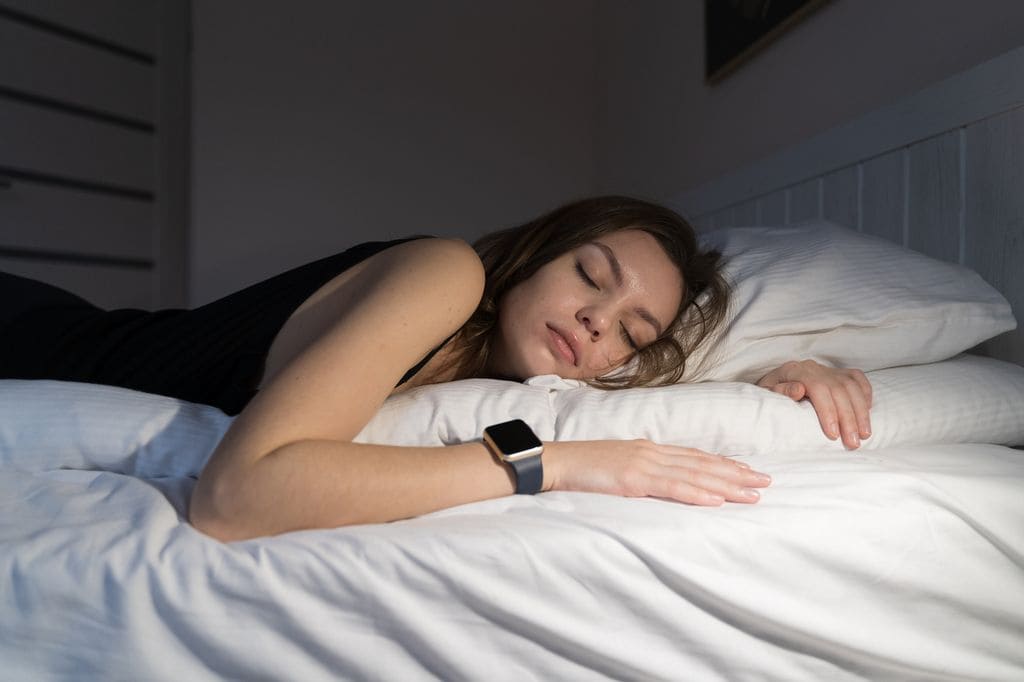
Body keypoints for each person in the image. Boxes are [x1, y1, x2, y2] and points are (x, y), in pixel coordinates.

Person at [0, 196, 871, 541]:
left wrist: (790, 370)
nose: (595, 321)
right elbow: (238, 498)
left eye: (631, 332)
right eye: (588, 277)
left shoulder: (529, 373)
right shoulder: (443, 272)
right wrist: (553, 464)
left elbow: (675, 383)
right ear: (536, 257)